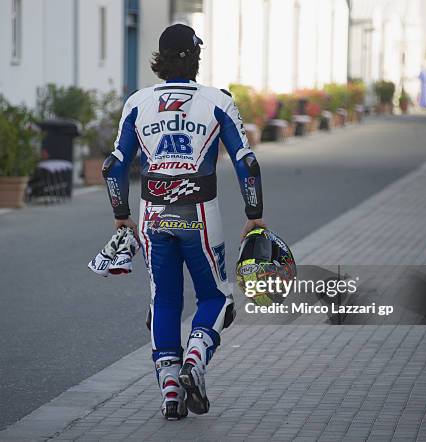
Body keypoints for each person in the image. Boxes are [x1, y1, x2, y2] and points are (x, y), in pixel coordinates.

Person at [102, 24, 266, 420]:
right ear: (195, 57)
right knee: (216, 298)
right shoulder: (218, 101)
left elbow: (114, 166)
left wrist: (121, 215)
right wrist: (254, 214)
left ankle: (171, 394)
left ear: (159, 59)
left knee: (164, 301)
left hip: (152, 215)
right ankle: (196, 358)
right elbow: (248, 162)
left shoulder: (137, 102)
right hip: (199, 215)